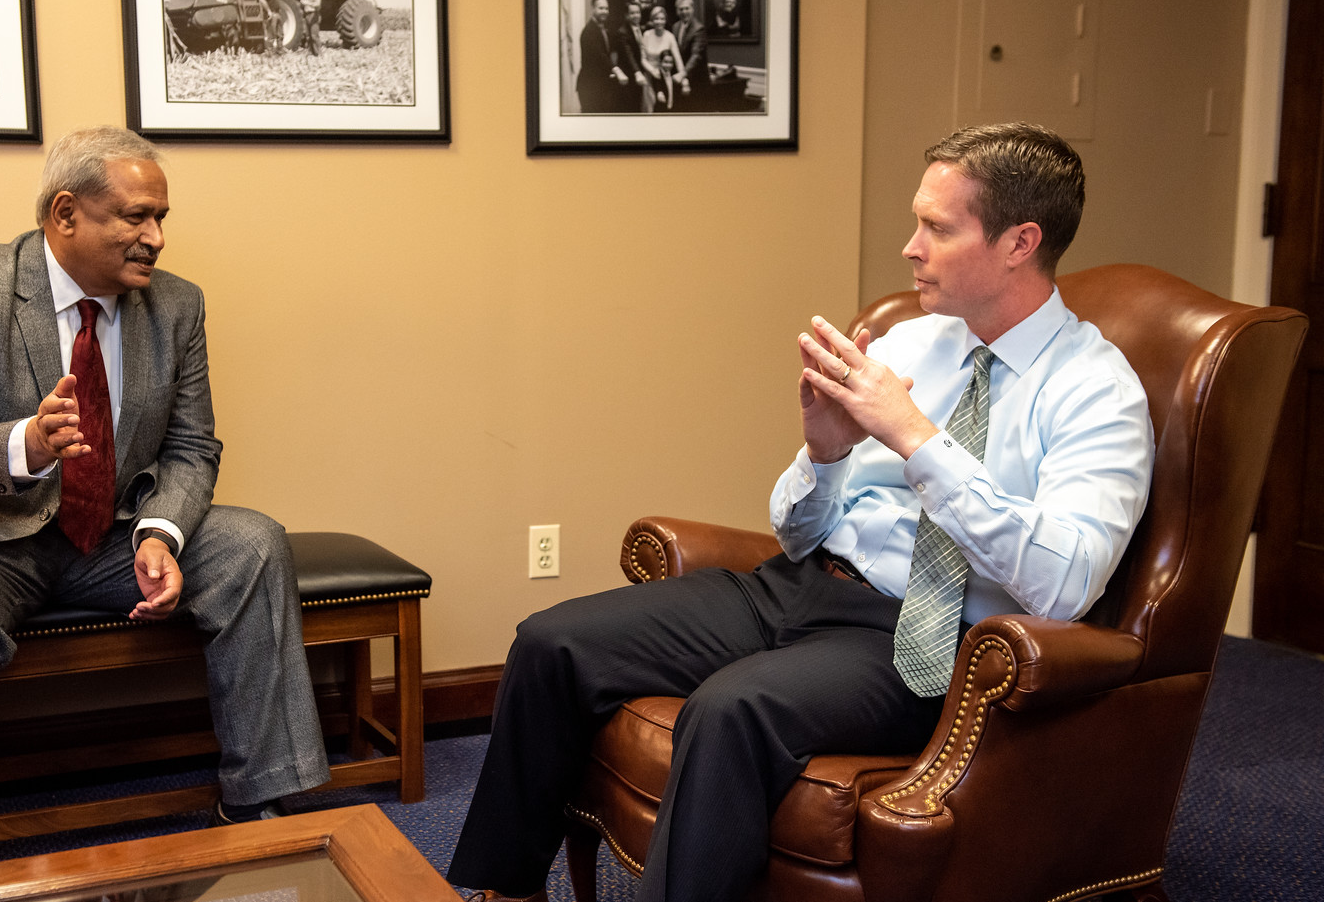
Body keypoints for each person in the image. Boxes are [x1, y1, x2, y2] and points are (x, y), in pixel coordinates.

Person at [446, 122, 1154, 902]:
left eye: (937, 228)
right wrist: (825, 454)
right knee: (552, 643)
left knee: (730, 712)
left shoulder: (1097, 391)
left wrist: (915, 438)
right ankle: (501, 892)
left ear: (1020, 242)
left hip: (919, 633)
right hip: (797, 584)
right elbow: (799, 530)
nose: (911, 247)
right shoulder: (911, 345)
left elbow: (1064, 586)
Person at [0, 126, 330, 879]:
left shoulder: (176, 307)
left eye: (161, 218)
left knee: (253, 542)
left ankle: (260, 813)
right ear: (65, 213)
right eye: (135, 217)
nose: (156, 237)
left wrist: (161, 535)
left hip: (107, 534)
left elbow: (192, 450)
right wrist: (27, 446)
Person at [574, 0, 621, 114]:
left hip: (601, 84)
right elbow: (600, 55)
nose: (604, 11)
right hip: (590, 86)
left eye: (606, 8)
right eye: (601, 8)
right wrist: (616, 70)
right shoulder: (589, 32)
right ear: (593, 9)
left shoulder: (602, 28)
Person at [637, 5, 686, 111]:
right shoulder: (646, 35)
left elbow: (678, 59)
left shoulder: (670, 37)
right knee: (649, 107)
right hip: (650, 76)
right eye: (656, 18)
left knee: (664, 107)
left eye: (662, 19)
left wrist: (682, 75)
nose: (659, 21)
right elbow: (643, 59)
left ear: (665, 20)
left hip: (664, 77)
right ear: (652, 20)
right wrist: (652, 71)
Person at [670, 0, 708, 111]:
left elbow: (696, 56)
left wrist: (683, 74)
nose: (684, 12)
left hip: (697, 81)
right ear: (677, 11)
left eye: (687, 8)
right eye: (681, 9)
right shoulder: (675, 27)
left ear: (692, 10)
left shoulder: (699, 29)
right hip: (680, 80)